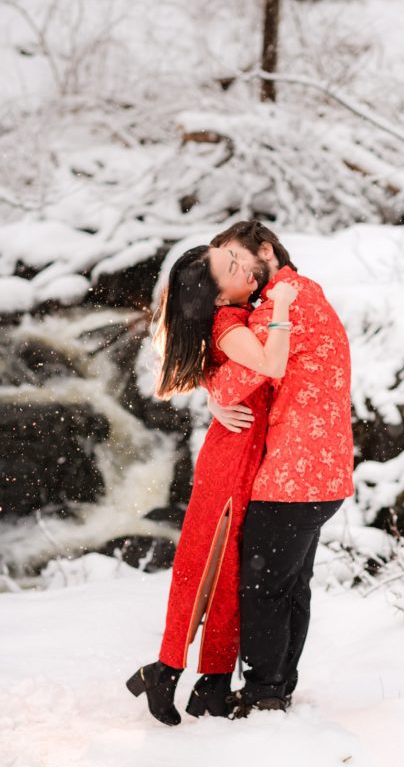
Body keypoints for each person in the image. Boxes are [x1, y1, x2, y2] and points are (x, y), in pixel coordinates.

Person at [126, 243, 298, 726]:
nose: (244, 267)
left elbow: (223, 366)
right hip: (231, 459)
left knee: (229, 573)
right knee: (203, 565)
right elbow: (268, 364)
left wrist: (215, 391)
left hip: (246, 456)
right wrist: (282, 309)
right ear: (218, 296)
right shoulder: (230, 323)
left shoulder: (237, 315)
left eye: (238, 259)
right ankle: (168, 668)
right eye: (231, 267)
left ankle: (211, 680)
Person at [201, 221, 354, 716]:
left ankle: (265, 692)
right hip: (324, 473)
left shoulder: (277, 306)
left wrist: (215, 399)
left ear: (264, 250)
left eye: (233, 260)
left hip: (291, 474)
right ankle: (278, 685)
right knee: (289, 586)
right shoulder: (307, 293)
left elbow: (234, 383)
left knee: (263, 588)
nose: (228, 274)